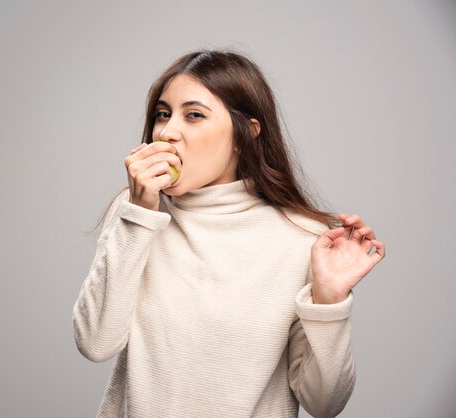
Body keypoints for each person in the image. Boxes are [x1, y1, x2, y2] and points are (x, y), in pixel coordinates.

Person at [72, 49, 386, 418]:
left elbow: (324, 404)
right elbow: (95, 343)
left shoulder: (304, 238)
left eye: (193, 115)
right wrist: (139, 214)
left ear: (245, 134)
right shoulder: (137, 215)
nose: (168, 132)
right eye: (163, 114)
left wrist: (329, 300)